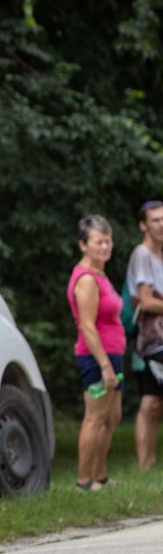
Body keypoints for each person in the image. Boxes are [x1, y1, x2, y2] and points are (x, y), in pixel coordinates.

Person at [66, 215, 124, 491]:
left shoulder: (101, 274)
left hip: (112, 354)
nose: (105, 246)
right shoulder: (86, 279)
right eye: (98, 241)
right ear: (83, 245)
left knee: (112, 416)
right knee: (95, 416)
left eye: (108, 240)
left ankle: (100, 475)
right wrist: (104, 366)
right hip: (96, 358)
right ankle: (83, 481)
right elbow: (87, 326)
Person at [127, 200, 163, 471]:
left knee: (155, 404)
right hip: (152, 341)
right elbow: (147, 301)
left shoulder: (160, 256)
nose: (161, 225)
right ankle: (144, 464)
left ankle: (150, 462)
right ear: (143, 225)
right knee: (150, 402)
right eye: (155, 220)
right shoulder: (142, 254)